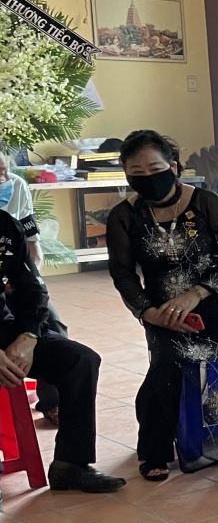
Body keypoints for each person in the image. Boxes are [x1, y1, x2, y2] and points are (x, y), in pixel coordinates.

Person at [105, 131, 218, 480]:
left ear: (173, 166)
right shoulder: (124, 216)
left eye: (154, 168)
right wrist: (149, 313)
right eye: (136, 172)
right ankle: (154, 452)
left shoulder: (205, 202)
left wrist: (197, 293)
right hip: (166, 314)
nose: (147, 177)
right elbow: (123, 274)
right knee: (166, 367)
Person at [0, 202, 122, 493]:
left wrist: (29, 335)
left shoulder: (4, 226)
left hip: (5, 329)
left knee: (80, 360)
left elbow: (32, 288)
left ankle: (71, 465)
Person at [0, 153, 65, 423]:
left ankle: (52, 403)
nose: (4, 179)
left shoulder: (16, 187)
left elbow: (33, 248)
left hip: (13, 281)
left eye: (4, 171)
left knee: (52, 324)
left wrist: (23, 281)